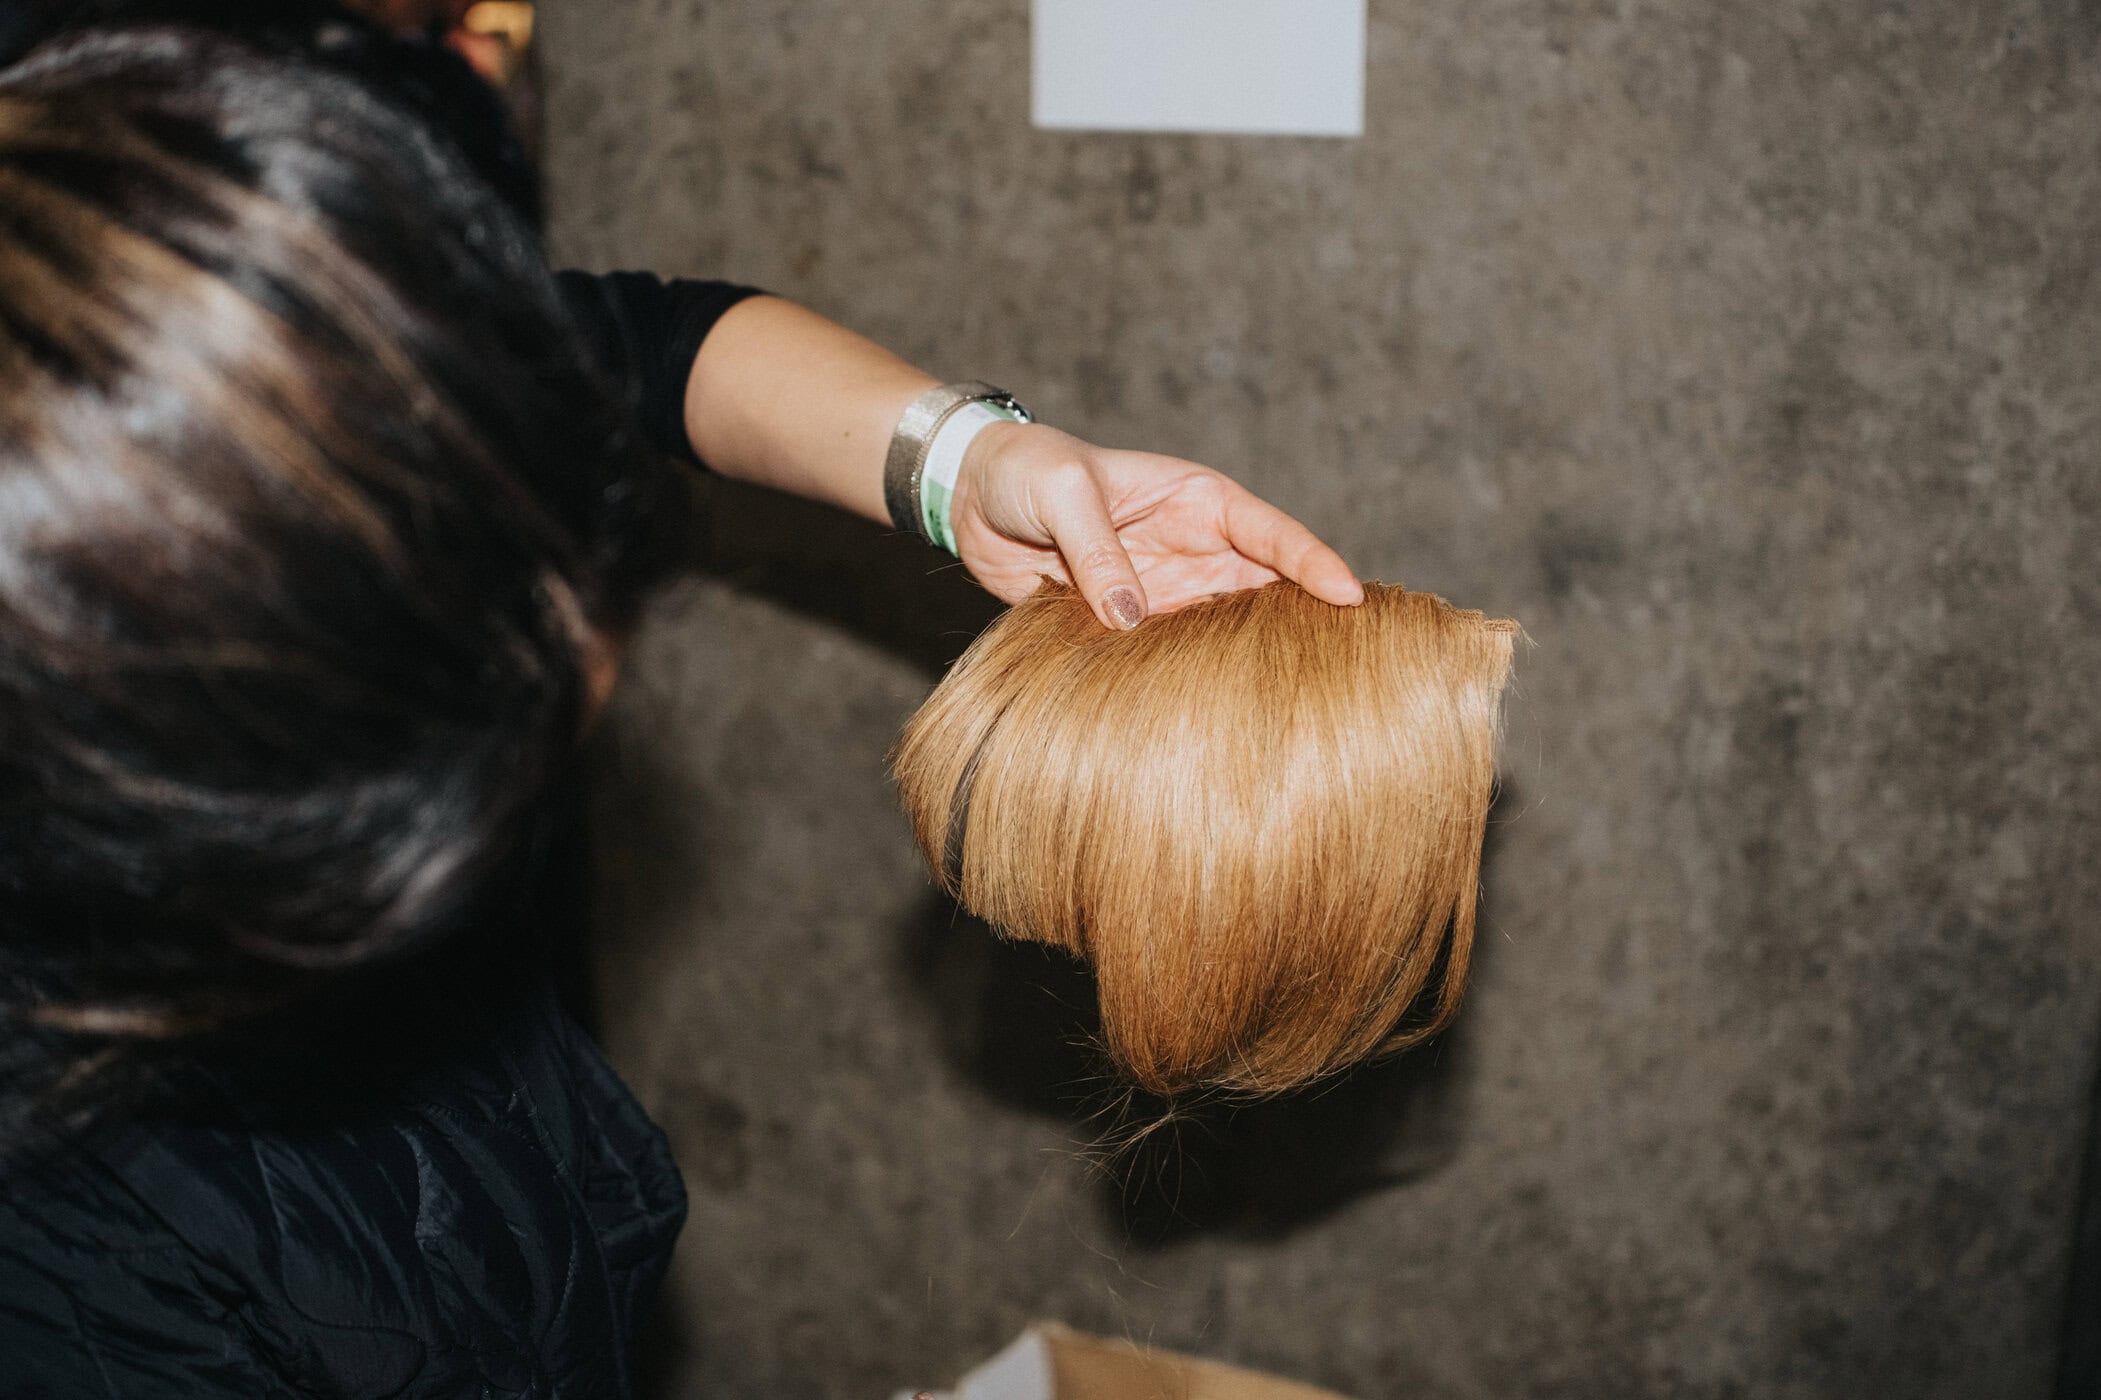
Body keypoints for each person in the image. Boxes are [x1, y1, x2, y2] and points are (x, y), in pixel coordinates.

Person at [0, 10, 1361, 1394]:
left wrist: (973, 466)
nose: (593, 644)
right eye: (510, 620)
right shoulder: (81, 1297)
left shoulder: (210, 337)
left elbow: (634, 346)